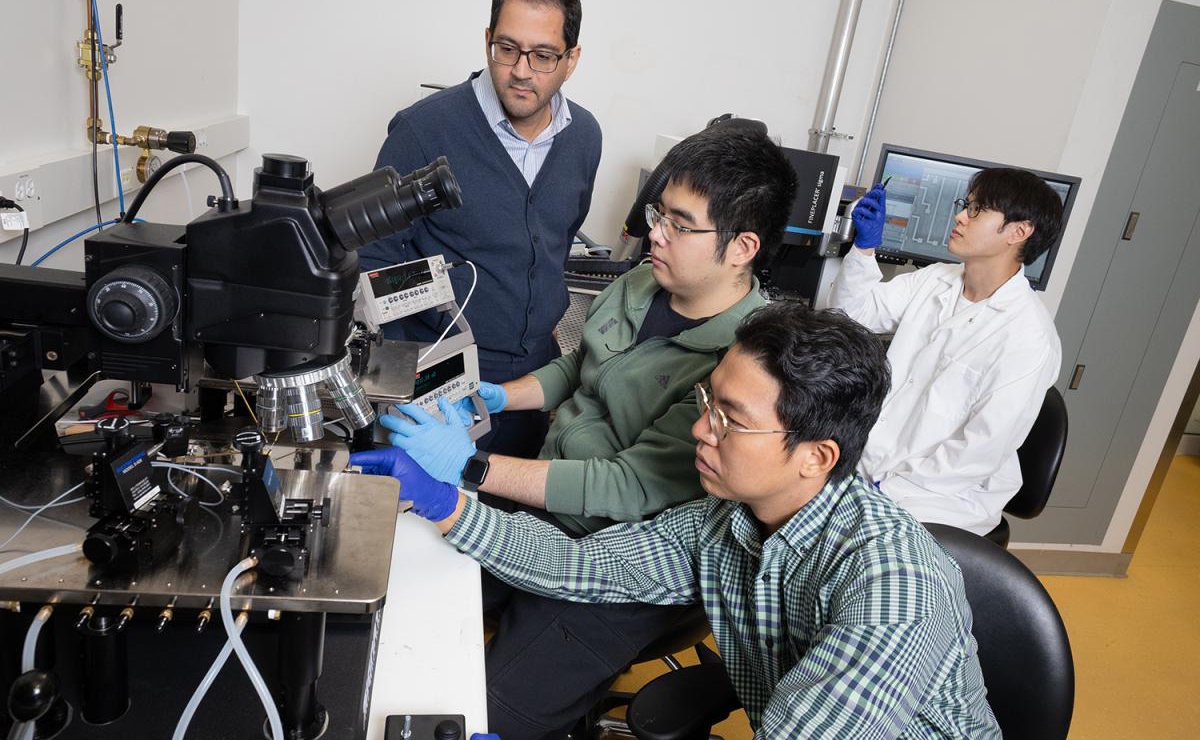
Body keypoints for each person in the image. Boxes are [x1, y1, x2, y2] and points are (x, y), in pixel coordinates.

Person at [351, 303, 1002, 739]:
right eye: (706, 402)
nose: (699, 430)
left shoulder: (892, 588)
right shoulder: (730, 521)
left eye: (730, 418)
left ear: (816, 457)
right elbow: (584, 566)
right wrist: (446, 503)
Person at [380, 123, 796, 738]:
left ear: (741, 248)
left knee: (476, 713)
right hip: (543, 508)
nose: (654, 232)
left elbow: (626, 486)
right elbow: (582, 366)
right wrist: (500, 397)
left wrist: (470, 468)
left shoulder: (741, 368)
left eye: (681, 224)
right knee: (412, 605)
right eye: (659, 212)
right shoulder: (643, 279)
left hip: (624, 561)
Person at [359, 0, 602, 458]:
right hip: (437, 375)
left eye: (543, 56)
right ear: (488, 38)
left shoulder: (584, 137)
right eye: (507, 48)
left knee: (506, 519)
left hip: (532, 377)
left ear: (571, 58)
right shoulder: (422, 131)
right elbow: (374, 261)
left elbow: (555, 244)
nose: (521, 70)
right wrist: (411, 380)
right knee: (427, 519)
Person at [829, 167, 1064, 535]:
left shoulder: (1029, 338)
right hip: (869, 465)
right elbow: (852, 315)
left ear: (1019, 232)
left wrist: (883, 491)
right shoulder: (936, 279)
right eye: (965, 206)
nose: (959, 217)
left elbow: (978, 452)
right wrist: (863, 249)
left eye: (977, 210)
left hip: (940, 497)